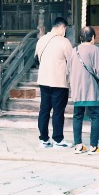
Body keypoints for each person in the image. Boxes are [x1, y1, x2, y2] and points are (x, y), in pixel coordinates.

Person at [68, 26, 99, 154]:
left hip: (77, 89)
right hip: (91, 89)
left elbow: (68, 70)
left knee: (77, 116)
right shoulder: (95, 50)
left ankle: (78, 146)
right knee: (96, 116)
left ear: (81, 38)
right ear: (92, 37)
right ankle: (93, 147)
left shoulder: (74, 51)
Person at [35, 17, 73, 148]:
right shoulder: (64, 42)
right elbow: (71, 61)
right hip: (59, 81)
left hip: (44, 80)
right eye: (65, 29)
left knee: (44, 109)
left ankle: (44, 139)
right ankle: (58, 139)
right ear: (63, 28)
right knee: (58, 111)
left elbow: (37, 58)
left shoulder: (42, 40)